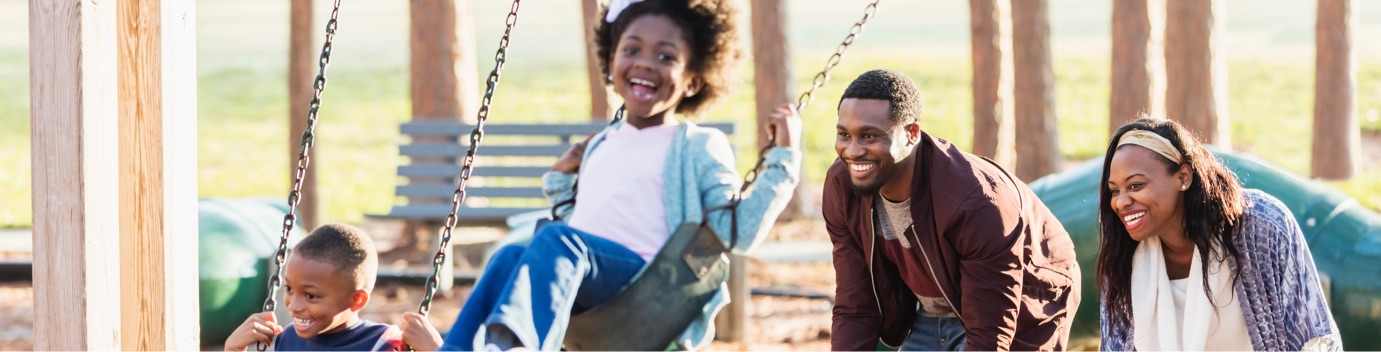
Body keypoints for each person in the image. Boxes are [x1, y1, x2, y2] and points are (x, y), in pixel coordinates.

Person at [398, 0, 802, 350]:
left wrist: (783, 158)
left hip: (650, 291)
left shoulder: (696, 144)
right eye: (632, 49)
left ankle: (518, 346)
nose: (645, 62)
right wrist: (560, 180)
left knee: (556, 241)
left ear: (694, 79)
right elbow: (587, 219)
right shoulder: (601, 144)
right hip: (589, 286)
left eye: (665, 56)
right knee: (510, 255)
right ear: (612, 62)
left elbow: (737, 231)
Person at [823, 68, 1080, 351]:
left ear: (912, 133)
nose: (853, 151)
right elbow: (854, 306)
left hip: (1025, 294)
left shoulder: (975, 201)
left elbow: (989, 338)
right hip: (932, 309)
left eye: (869, 136)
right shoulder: (843, 187)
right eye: (844, 135)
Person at [1097, 117, 1342, 350]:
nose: (1121, 202)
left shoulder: (1263, 228)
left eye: (1136, 185)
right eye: (1114, 191)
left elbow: (1316, 340)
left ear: (1183, 177)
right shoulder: (1122, 260)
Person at [224, 223, 405, 352]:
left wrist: (433, 348)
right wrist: (234, 349)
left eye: (310, 296)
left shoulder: (381, 343)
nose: (294, 306)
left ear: (357, 300)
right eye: (289, 289)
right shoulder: (288, 339)